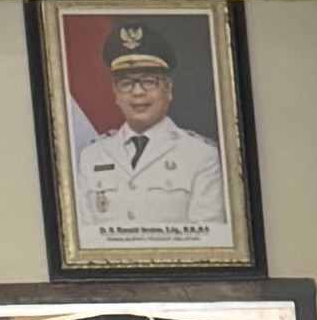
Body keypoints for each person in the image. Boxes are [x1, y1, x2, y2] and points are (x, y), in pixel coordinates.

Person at [74, 26, 230, 251]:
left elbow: (208, 240)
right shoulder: (92, 156)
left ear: (168, 89)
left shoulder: (201, 156)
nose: (137, 92)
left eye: (148, 81)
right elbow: (85, 235)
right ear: (115, 93)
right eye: (126, 83)